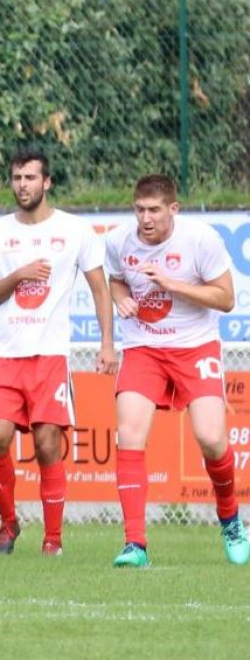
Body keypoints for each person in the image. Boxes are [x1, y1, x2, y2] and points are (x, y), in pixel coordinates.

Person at [0, 150, 116, 557]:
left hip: (49, 356)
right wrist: (18, 275)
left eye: (31, 177)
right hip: (4, 354)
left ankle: (53, 539)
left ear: (47, 182)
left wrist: (107, 344)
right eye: (17, 177)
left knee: (48, 444)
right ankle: (8, 525)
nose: (23, 185)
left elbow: (100, 289)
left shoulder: (74, 230)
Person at [104, 174, 249, 568]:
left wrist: (173, 285)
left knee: (211, 438)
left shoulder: (200, 240)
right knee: (129, 435)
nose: (145, 218)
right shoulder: (118, 240)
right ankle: (135, 544)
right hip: (144, 347)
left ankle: (231, 520)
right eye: (139, 209)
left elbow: (226, 299)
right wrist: (122, 299)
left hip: (195, 346)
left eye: (154, 210)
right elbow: (116, 280)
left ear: (174, 209)